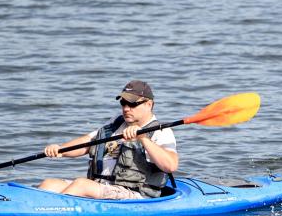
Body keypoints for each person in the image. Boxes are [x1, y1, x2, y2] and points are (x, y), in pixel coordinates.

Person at [38, 80, 180, 199]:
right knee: (49, 184)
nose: (126, 108)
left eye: (132, 104)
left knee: (81, 184)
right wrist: (60, 150)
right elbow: (88, 142)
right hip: (100, 186)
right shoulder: (116, 123)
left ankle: (53, 215)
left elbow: (170, 165)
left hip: (134, 194)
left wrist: (143, 138)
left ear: (149, 104)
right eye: (123, 103)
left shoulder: (161, 132)